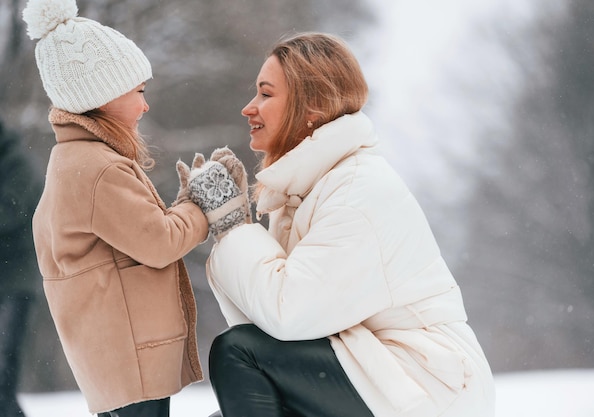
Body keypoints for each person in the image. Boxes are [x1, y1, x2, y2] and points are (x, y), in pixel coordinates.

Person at [183, 32, 495, 417]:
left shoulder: (354, 190)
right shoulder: (305, 191)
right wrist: (235, 230)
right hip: (378, 374)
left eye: (266, 94)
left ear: (311, 106)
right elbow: (271, 326)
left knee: (236, 352)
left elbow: (287, 314)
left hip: (426, 386)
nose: (250, 108)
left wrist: (232, 228)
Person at [22, 0, 209, 415]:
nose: (145, 105)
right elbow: (160, 241)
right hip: (130, 359)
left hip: (111, 356)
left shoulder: (73, 160)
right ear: (102, 96)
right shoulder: (97, 168)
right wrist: (203, 203)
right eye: (138, 92)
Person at [0, 119, 43, 417]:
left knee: (5, 367)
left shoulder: (17, 164)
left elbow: (9, 212)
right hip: (8, 280)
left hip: (17, 283)